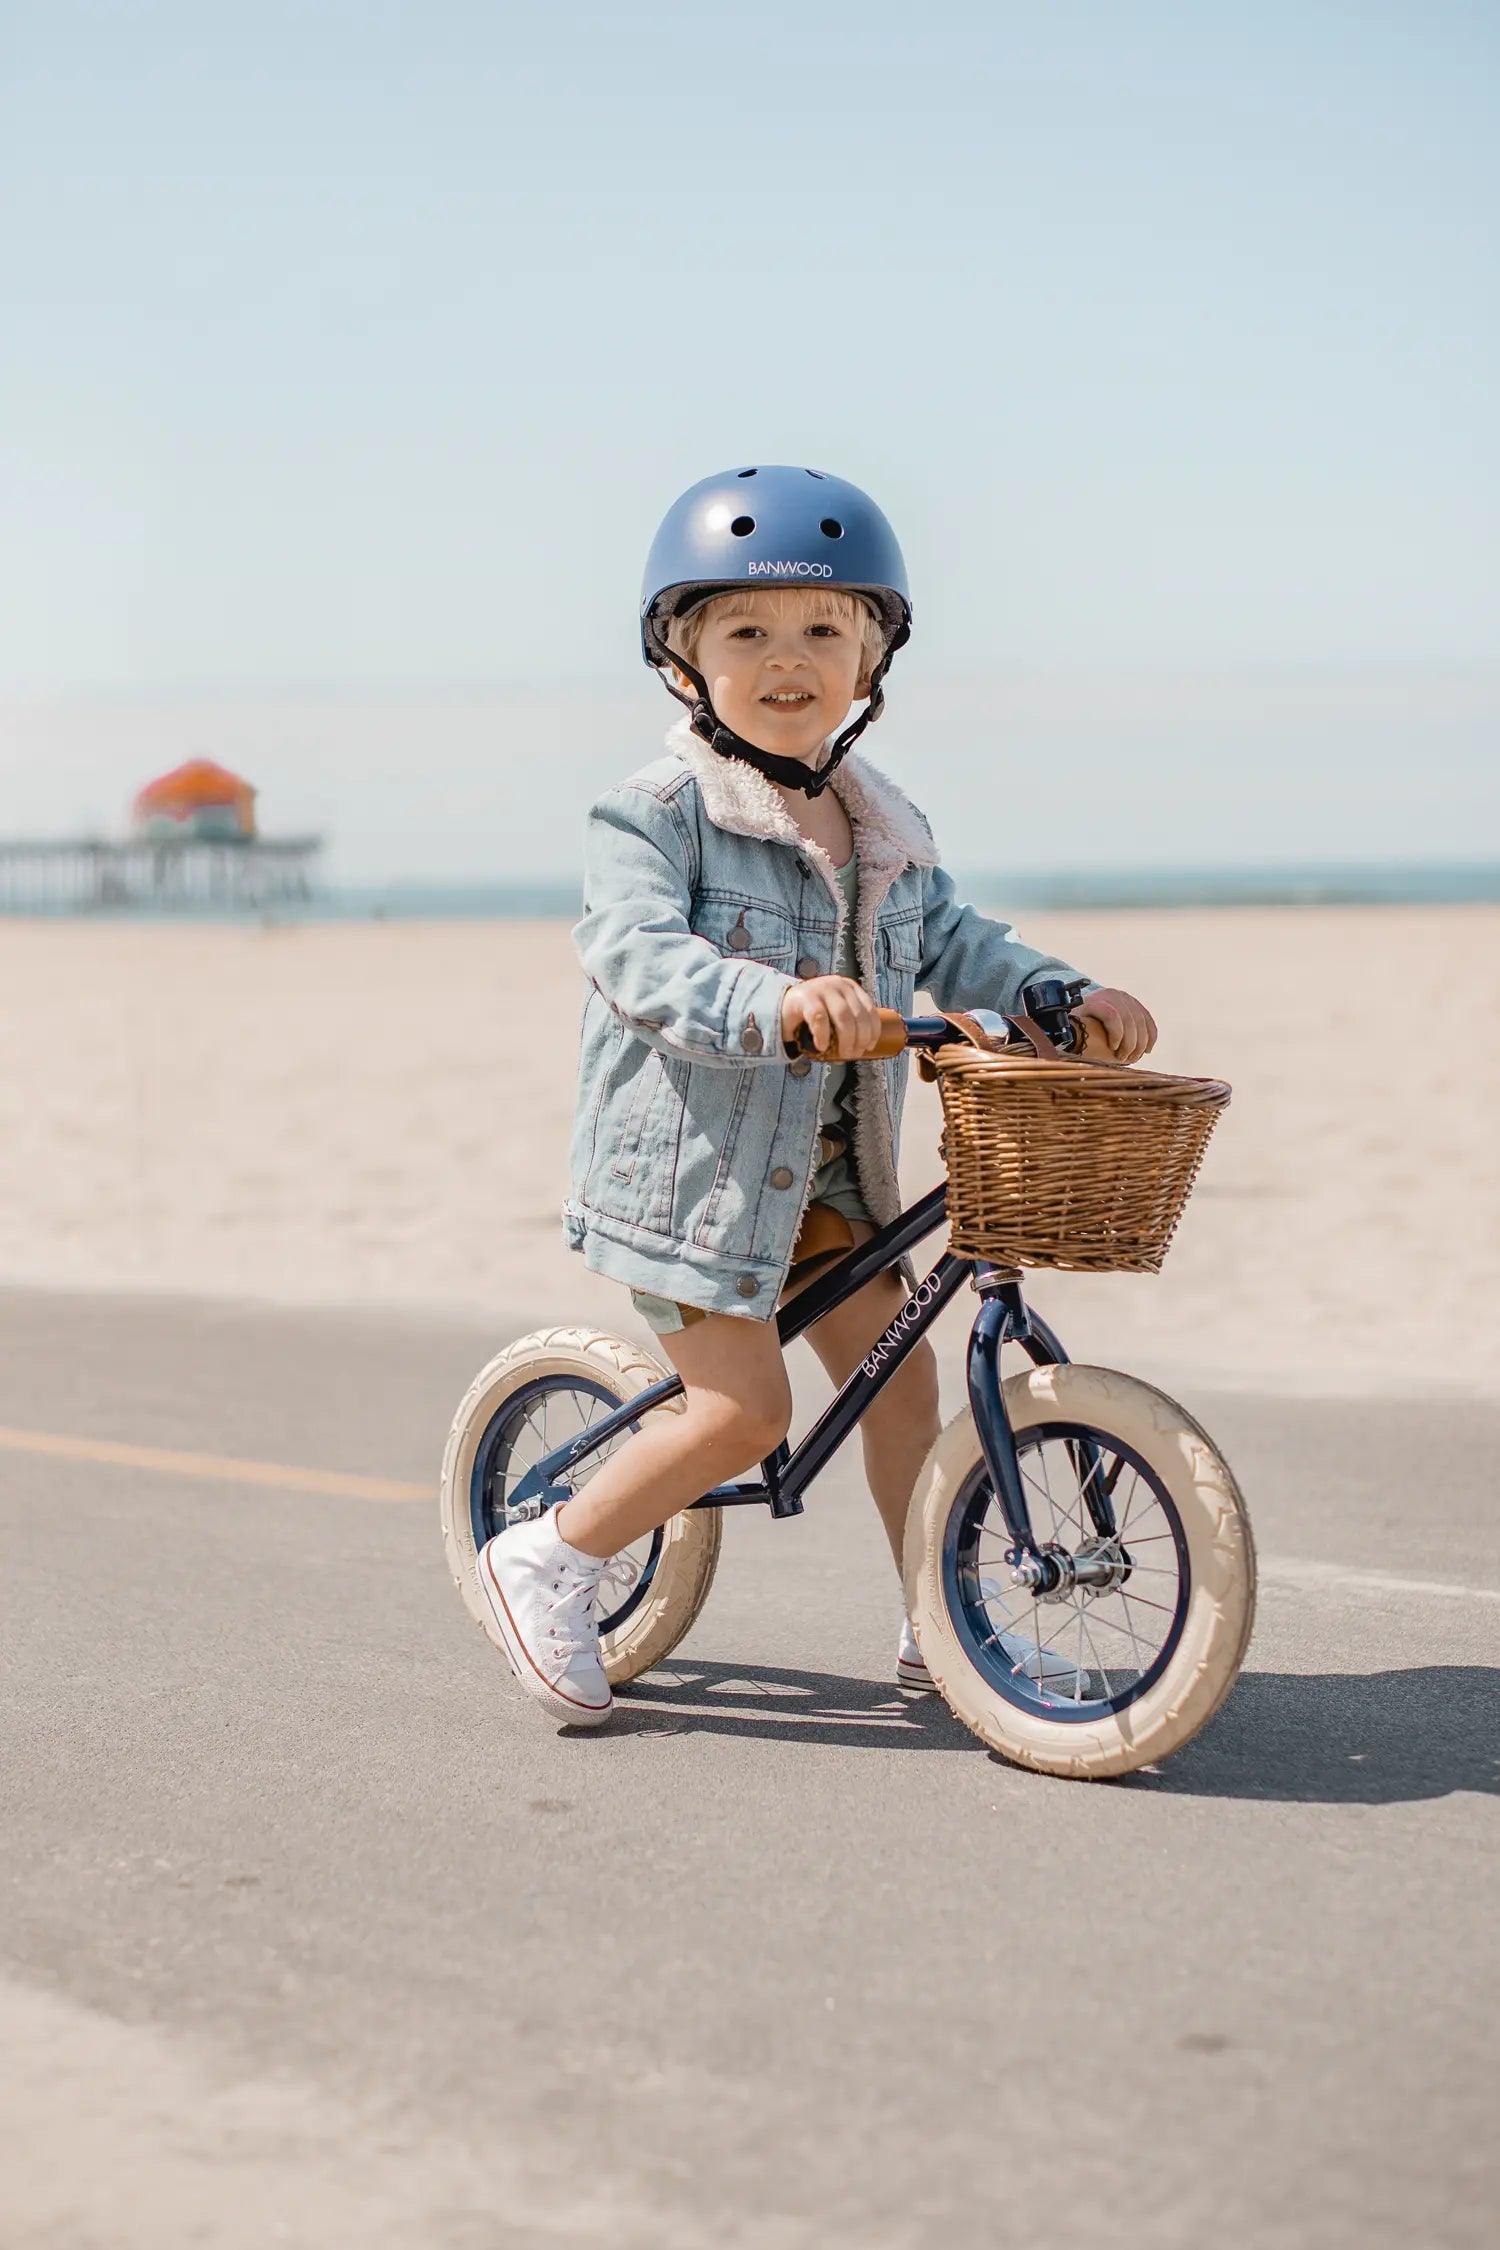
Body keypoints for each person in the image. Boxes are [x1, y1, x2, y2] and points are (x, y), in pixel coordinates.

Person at [476, 466, 1158, 1728]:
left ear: (871, 659)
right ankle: (549, 1556)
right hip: (695, 1183)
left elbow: (962, 944)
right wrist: (772, 1000)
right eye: (747, 632)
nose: (788, 662)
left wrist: (1066, 991)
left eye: (824, 632)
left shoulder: (883, 829)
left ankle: (936, 1618)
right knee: (744, 1411)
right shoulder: (655, 813)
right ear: (685, 661)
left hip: (838, 1182)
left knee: (906, 1391)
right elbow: (634, 954)